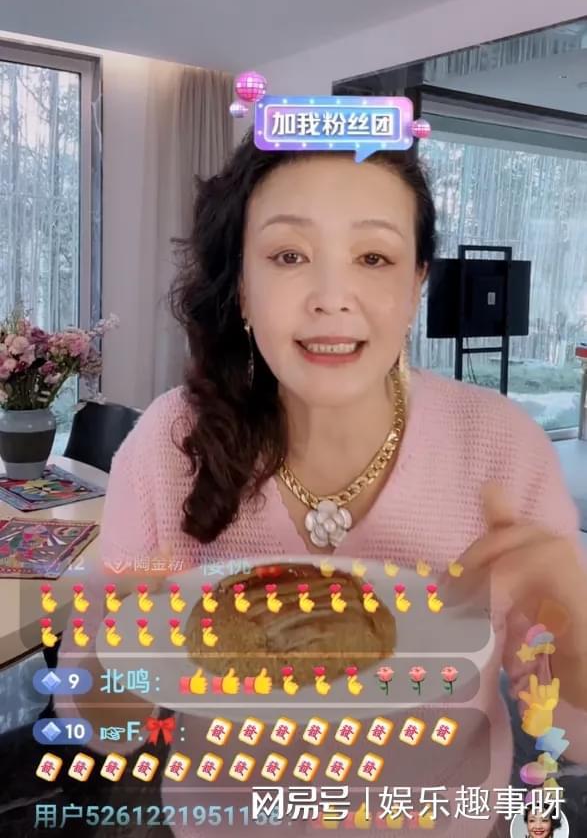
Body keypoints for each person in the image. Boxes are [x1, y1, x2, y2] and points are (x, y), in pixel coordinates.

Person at [58, 130, 587, 836]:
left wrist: (574, 629)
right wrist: (109, 646)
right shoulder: (168, 442)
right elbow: (105, 729)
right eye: (288, 256)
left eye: (373, 257)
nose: (332, 299)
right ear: (242, 287)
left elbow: (570, 740)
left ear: (416, 285)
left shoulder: (501, 445)